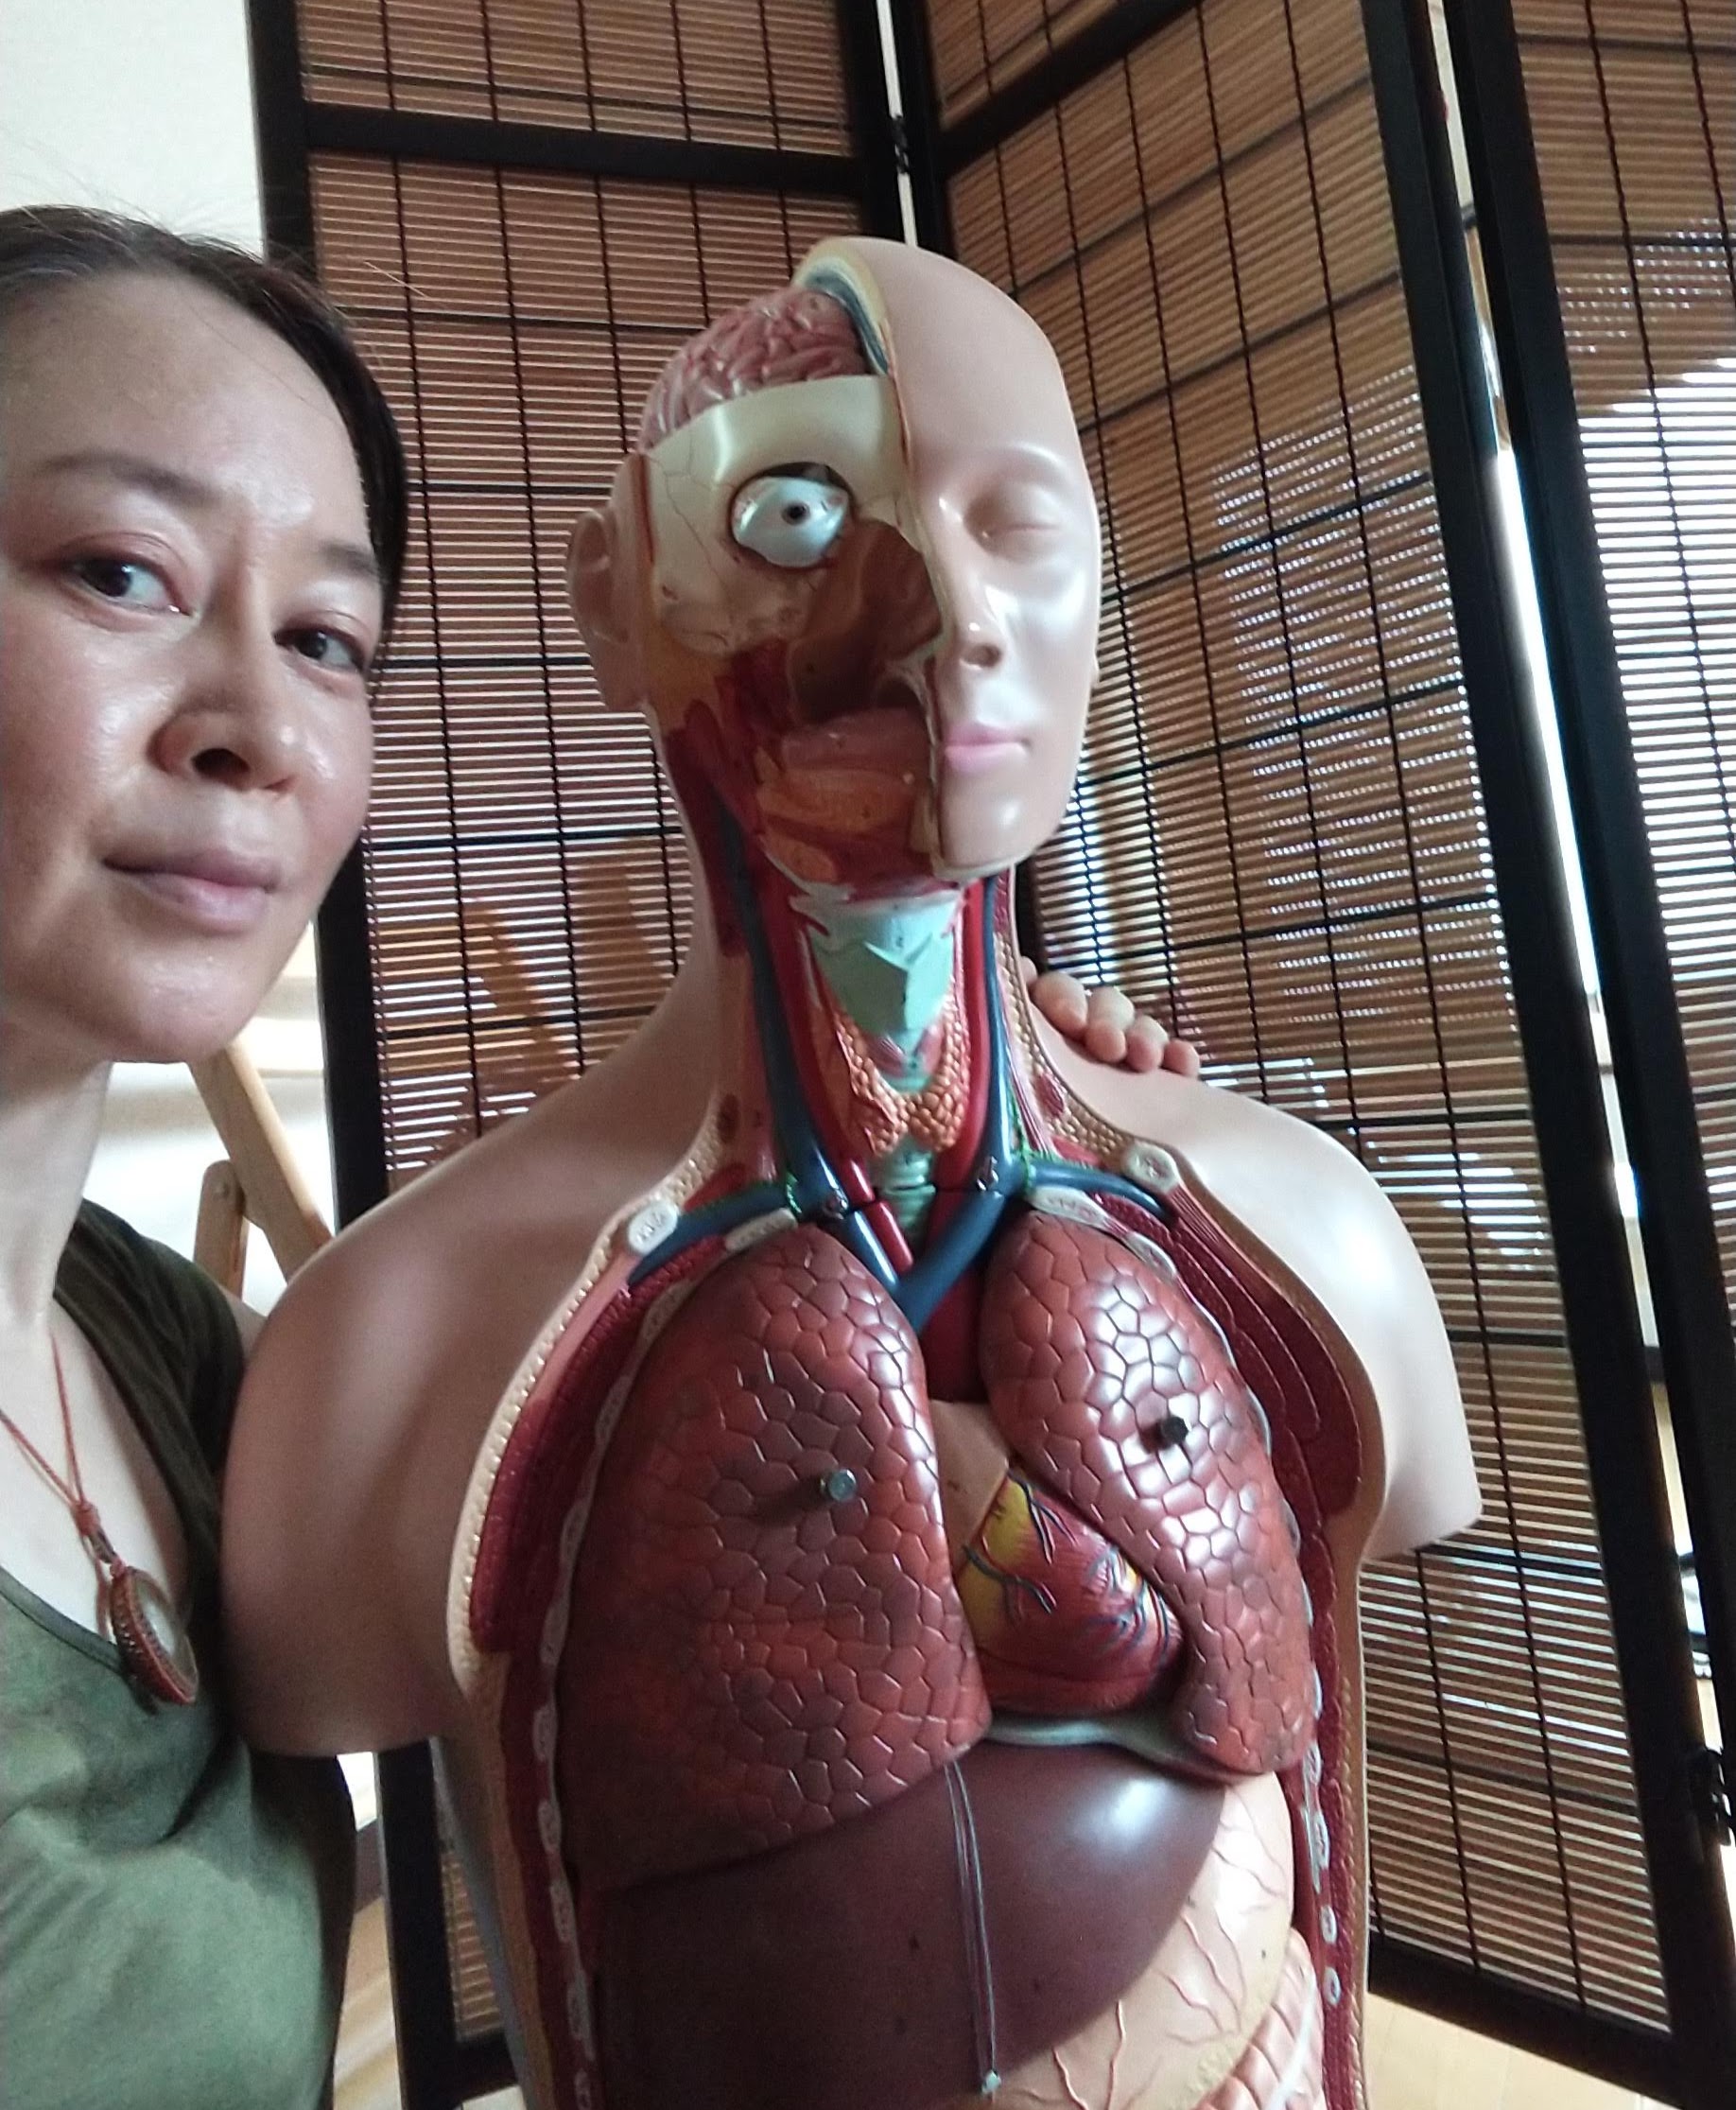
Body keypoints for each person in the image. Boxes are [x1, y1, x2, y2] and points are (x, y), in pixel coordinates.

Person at [223, 239, 1477, 2110]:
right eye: (797, 513)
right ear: (615, 599)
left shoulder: (1310, 1238)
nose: (942, 610)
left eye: (1015, 529)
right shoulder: (387, 1350)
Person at [0, 203, 1184, 2110]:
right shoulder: (371, 1352)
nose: (260, 729)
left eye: (323, 637)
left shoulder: (159, 1362)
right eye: (119, 572)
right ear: (617, 602)